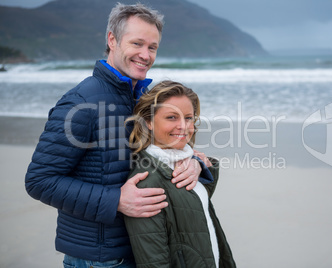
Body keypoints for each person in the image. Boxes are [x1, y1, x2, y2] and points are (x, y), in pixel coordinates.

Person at [25, 3, 214, 267]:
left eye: (152, 47)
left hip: (138, 250)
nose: (145, 55)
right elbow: (39, 181)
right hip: (100, 259)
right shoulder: (81, 102)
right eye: (137, 43)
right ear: (112, 40)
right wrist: (115, 200)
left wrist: (195, 163)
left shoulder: (139, 98)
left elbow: (153, 155)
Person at [124, 80, 236, 267]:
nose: (184, 126)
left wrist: (202, 166)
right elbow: (154, 262)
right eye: (171, 117)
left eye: (188, 117)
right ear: (148, 122)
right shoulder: (147, 181)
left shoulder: (187, 164)